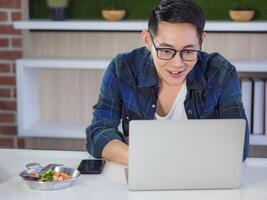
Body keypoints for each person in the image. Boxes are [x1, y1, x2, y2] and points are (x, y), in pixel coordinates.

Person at [86, 0, 249, 165]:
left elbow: (239, 145)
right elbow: (99, 133)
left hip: (200, 176)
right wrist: (144, 159)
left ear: (201, 40)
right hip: (144, 171)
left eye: (188, 51)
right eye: (166, 50)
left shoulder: (221, 72)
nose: (177, 63)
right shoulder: (123, 68)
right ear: (148, 40)